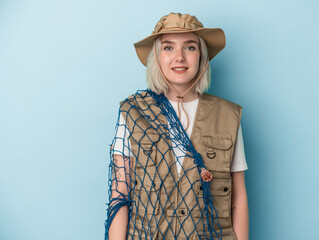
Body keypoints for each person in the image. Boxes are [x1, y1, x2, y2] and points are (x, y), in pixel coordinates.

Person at [105, 12, 249, 240]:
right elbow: (120, 194)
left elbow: (238, 196)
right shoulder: (132, 112)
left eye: (190, 47)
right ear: (157, 57)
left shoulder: (228, 116)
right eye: (168, 48)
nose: (179, 57)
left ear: (202, 56)